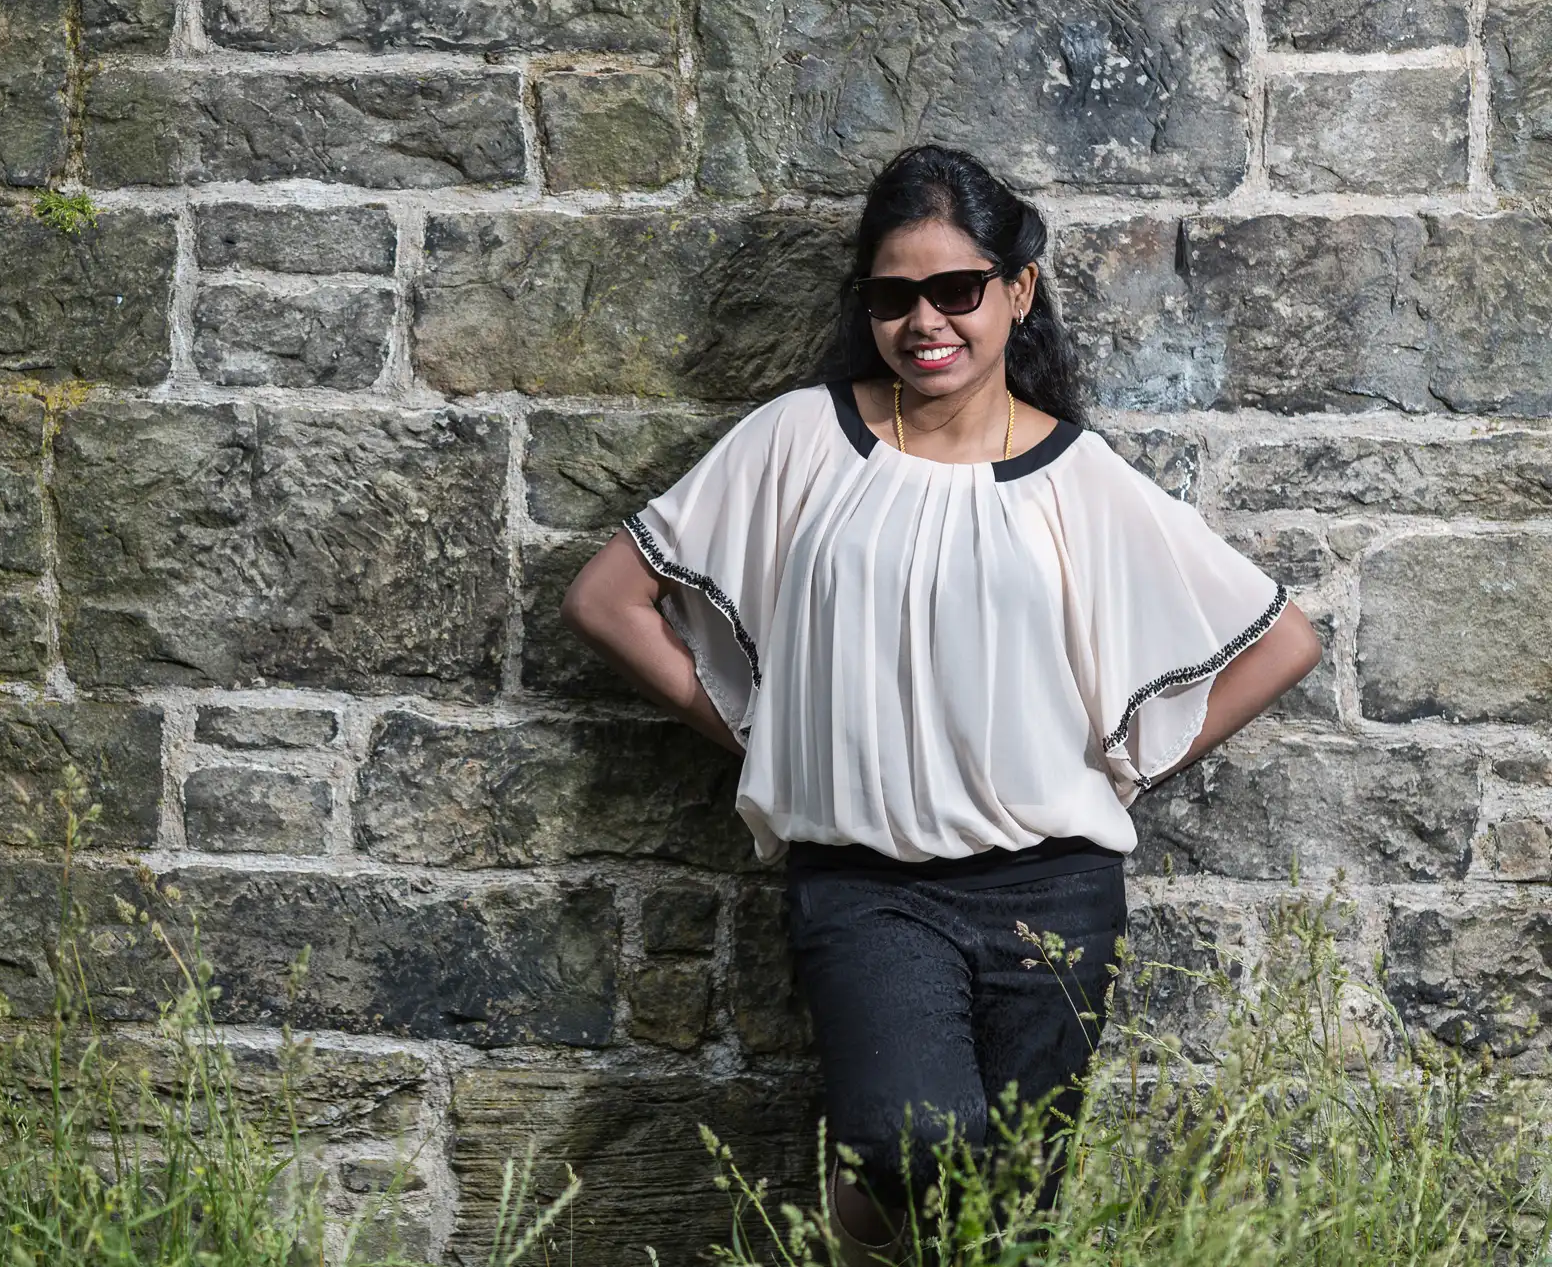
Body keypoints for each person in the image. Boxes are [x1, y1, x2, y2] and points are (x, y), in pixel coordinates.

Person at [559, 144, 1321, 1264]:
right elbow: (607, 599)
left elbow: (1282, 639)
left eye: (955, 289)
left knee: (1006, 1221)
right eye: (891, 295)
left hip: (1052, 895)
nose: (925, 321)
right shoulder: (798, 440)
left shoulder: (1079, 478)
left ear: (1014, 291)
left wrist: (1118, 768)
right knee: (911, 1140)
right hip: (867, 890)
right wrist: (774, 743)